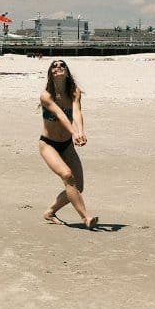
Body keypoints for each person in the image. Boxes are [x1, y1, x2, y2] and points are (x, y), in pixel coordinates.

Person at [38, 60, 97, 229]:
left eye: (62, 65)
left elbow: (77, 112)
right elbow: (60, 115)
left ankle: (50, 212)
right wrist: (74, 132)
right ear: (50, 73)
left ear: (67, 72)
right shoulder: (46, 96)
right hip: (48, 144)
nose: (58, 67)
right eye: (54, 65)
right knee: (67, 175)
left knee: (79, 185)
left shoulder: (74, 92)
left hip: (66, 145)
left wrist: (81, 131)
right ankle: (86, 217)